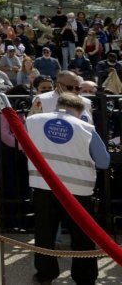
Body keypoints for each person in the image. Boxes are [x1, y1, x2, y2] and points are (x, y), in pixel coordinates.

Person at [26, 92, 110, 285]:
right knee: (83, 237)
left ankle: (45, 275)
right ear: (80, 111)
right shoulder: (86, 127)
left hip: (43, 185)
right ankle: (85, 277)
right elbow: (104, 162)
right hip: (78, 190)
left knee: (44, 233)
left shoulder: (33, 121)